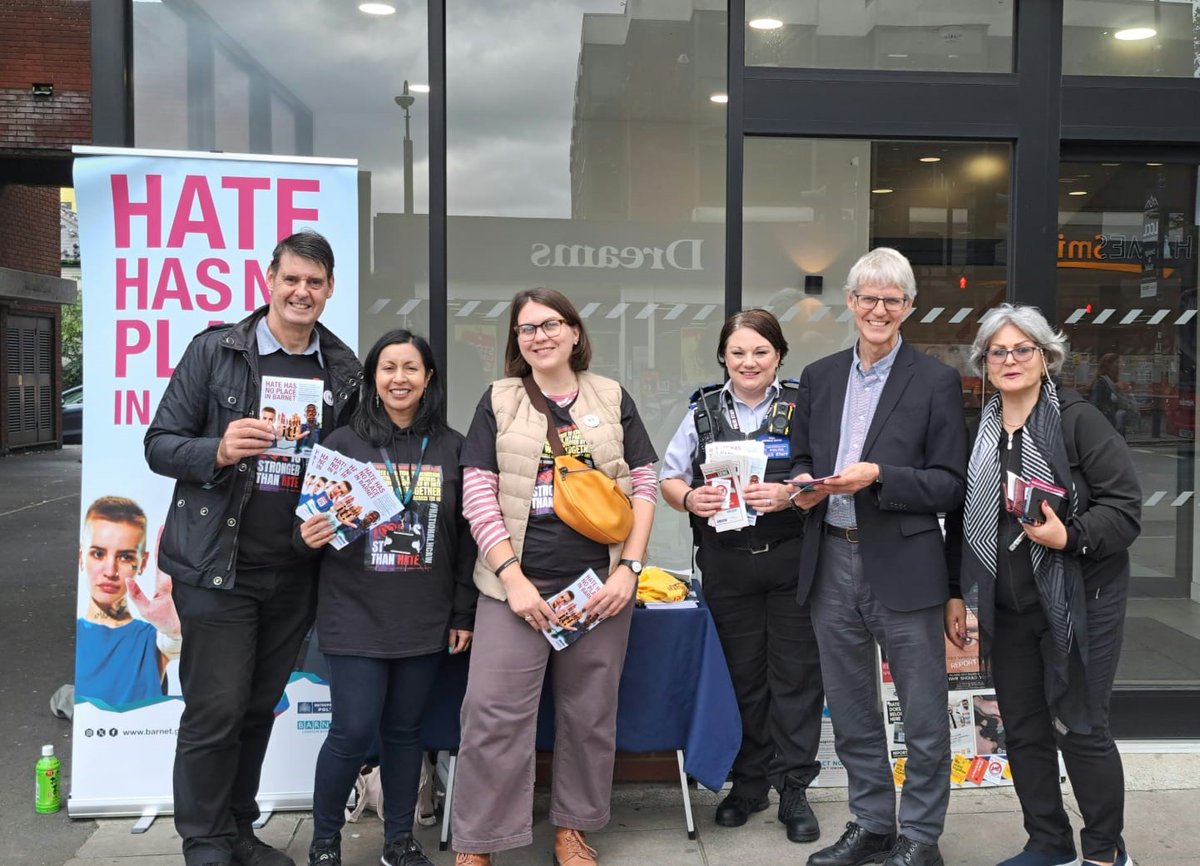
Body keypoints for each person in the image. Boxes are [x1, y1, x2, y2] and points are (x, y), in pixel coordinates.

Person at [144, 230, 363, 866]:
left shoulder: (343, 371)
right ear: (269, 279)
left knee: (258, 708)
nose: (302, 292)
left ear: (330, 290)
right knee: (214, 710)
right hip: (217, 565)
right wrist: (214, 450)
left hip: (295, 567)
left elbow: (349, 467)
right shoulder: (216, 351)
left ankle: (238, 830)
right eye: (291, 279)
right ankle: (205, 842)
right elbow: (159, 443)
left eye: (315, 283)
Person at [453, 287, 658, 866]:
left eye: (549, 325)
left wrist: (630, 572)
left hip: (598, 586)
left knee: (589, 714)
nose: (538, 336)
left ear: (574, 331)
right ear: (516, 342)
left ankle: (573, 828)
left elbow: (644, 483)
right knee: (492, 713)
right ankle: (479, 842)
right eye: (525, 329)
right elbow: (478, 493)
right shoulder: (498, 400)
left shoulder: (611, 396)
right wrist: (512, 578)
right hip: (511, 586)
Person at [788, 248, 967, 866]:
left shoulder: (937, 380)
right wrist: (804, 482)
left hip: (904, 565)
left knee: (922, 714)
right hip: (830, 561)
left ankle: (920, 836)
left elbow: (951, 482)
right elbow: (797, 459)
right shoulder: (819, 376)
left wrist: (880, 476)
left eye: (893, 299)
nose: (879, 309)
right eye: (869, 297)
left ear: (910, 308)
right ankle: (873, 826)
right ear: (851, 302)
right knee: (855, 708)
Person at [945, 304, 1141, 866]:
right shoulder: (980, 430)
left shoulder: (1078, 420)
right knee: (1026, 731)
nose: (1010, 360)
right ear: (985, 363)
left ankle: (1104, 853)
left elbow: (1125, 511)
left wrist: (1070, 537)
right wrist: (959, 592)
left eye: (1022, 349)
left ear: (1046, 356)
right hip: (1007, 610)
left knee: (1081, 727)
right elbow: (964, 519)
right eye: (998, 352)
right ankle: (1048, 843)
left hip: (1080, 604)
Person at [302, 329, 478, 866]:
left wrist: (462, 611)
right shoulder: (342, 446)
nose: (399, 378)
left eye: (411, 368)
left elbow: (470, 541)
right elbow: (308, 528)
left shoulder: (453, 447)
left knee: (406, 733)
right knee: (352, 732)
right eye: (388, 368)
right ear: (373, 380)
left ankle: (399, 841)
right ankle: (324, 840)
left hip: (423, 617)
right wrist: (304, 535)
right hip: (354, 614)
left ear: (428, 380)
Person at [659, 309, 824, 843]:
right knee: (742, 677)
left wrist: (792, 492)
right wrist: (690, 498)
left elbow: (828, 479)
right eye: (737, 353)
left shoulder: (804, 404)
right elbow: (668, 476)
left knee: (796, 677)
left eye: (760, 351)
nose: (748, 362)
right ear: (723, 358)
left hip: (791, 559)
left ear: (778, 355)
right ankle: (749, 783)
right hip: (727, 564)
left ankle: (794, 788)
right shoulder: (703, 410)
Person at [75, 495, 181, 708]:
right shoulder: (77, 636)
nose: (110, 571)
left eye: (125, 557)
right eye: (98, 554)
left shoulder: (150, 640)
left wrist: (174, 631)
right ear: (81, 557)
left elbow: (172, 644)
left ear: (142, 563)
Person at [1089, 353, 1137, 438]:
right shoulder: (1102, 383)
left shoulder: (1115, 383)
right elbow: (1095, 405)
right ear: (1108, 365)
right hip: (1107, 427)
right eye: (1116, 362)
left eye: (1120, 363)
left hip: (1116, 427)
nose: (1120, 365)